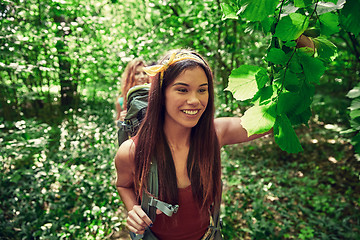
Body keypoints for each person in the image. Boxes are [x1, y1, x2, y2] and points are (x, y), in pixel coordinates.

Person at [114, 49, 272, 240]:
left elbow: (271, 122)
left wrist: (297, 54)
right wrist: (133, 209)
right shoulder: (132, 151)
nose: (194, 100)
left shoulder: (216, 133)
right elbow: (123, 185)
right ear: (160, 94)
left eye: (202, 90)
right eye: (182, 89)